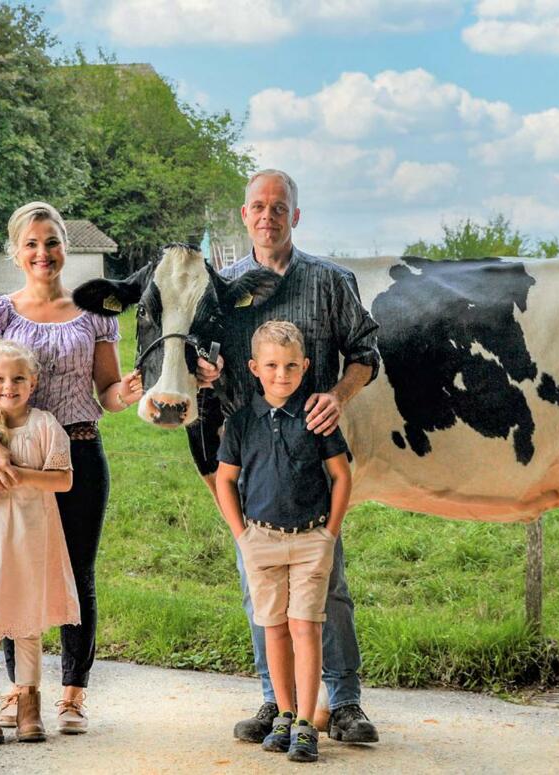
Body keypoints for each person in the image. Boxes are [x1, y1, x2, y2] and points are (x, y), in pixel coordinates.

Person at [191, 169, 382, 744]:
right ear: (243, 215)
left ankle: (344, 701)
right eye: (258, 206)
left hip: (311, 453)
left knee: (330, 582)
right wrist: (206, 375)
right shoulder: (217, 288)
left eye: (280, 207)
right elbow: (198, 358)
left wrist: (338, 395)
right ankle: (277, 703)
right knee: (259, 584)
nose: (268, 216)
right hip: (248, 457)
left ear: (295, 217)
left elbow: (367, 352)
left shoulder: (330, 281)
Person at [0, 201, 143, 734]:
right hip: (14, 457)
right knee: (14, 573)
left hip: (78, 454)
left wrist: (127, 391)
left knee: (77, 573)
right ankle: (21, 693)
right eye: (33, 244)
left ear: (67, 247)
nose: (44, 253)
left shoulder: (94, 313)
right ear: (16, 252)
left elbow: (106, 392)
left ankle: (71, 694)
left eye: (53, 242)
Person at [215, 321, 352, 763]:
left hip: (310, 538)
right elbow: (225, 481)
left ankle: (309, 723)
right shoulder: (240, 423)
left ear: (305, 366)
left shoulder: (316, 416)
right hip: (261, 541)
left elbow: (341, 476)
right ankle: (285, 715)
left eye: (291, 365)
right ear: (255, 367)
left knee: (306, 629)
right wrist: (242, 537)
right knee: (273, 629)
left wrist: (329, 533)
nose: (281, 374)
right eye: (272, 365)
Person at [0, 338, 80, 744]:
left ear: (34, 382)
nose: (9, 387)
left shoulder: (45, 426)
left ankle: (28, 705)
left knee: (27, 623)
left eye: (18, 378)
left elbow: (64, 479)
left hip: (30, 539)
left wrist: (21, 476)